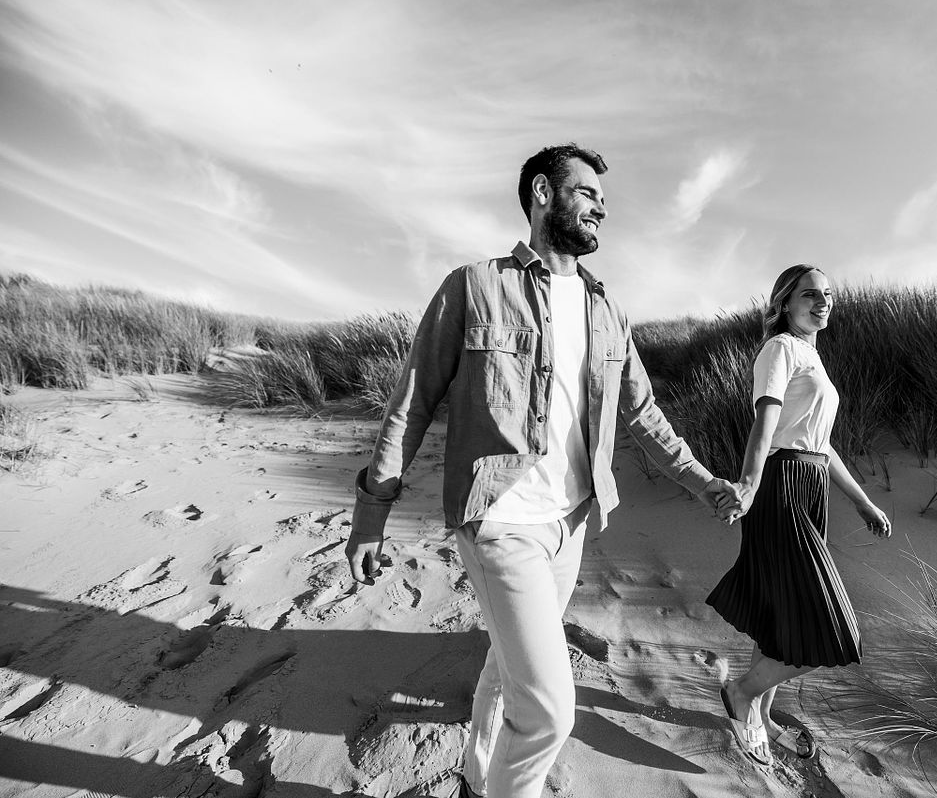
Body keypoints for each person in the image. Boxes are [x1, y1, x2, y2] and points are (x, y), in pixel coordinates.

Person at [344, 143, 737, 798]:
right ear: (542, 194)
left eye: (603, 200)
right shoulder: (474, 286)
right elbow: (411, 402)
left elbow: (643, 412)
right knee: (550, 714)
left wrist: (702, 481)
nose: (601, 208)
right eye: (587, 193)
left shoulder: (607, 309)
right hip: (500, 519)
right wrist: (371, 513)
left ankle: (475, 779)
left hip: (570, 521)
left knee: (509, 666)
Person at [707, 264, 892, 766]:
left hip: (811, 485)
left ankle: (762, 714)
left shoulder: (812, 357)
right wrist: (749, 484)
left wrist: (862, 501)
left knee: (781, 612)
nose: (822, 301)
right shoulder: (780, 349)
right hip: (781, 485)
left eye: (827, 293)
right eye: (810, 294)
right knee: (829, 627)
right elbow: (764, 423)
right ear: (785, 303)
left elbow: (821, 444)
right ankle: (742, 693)